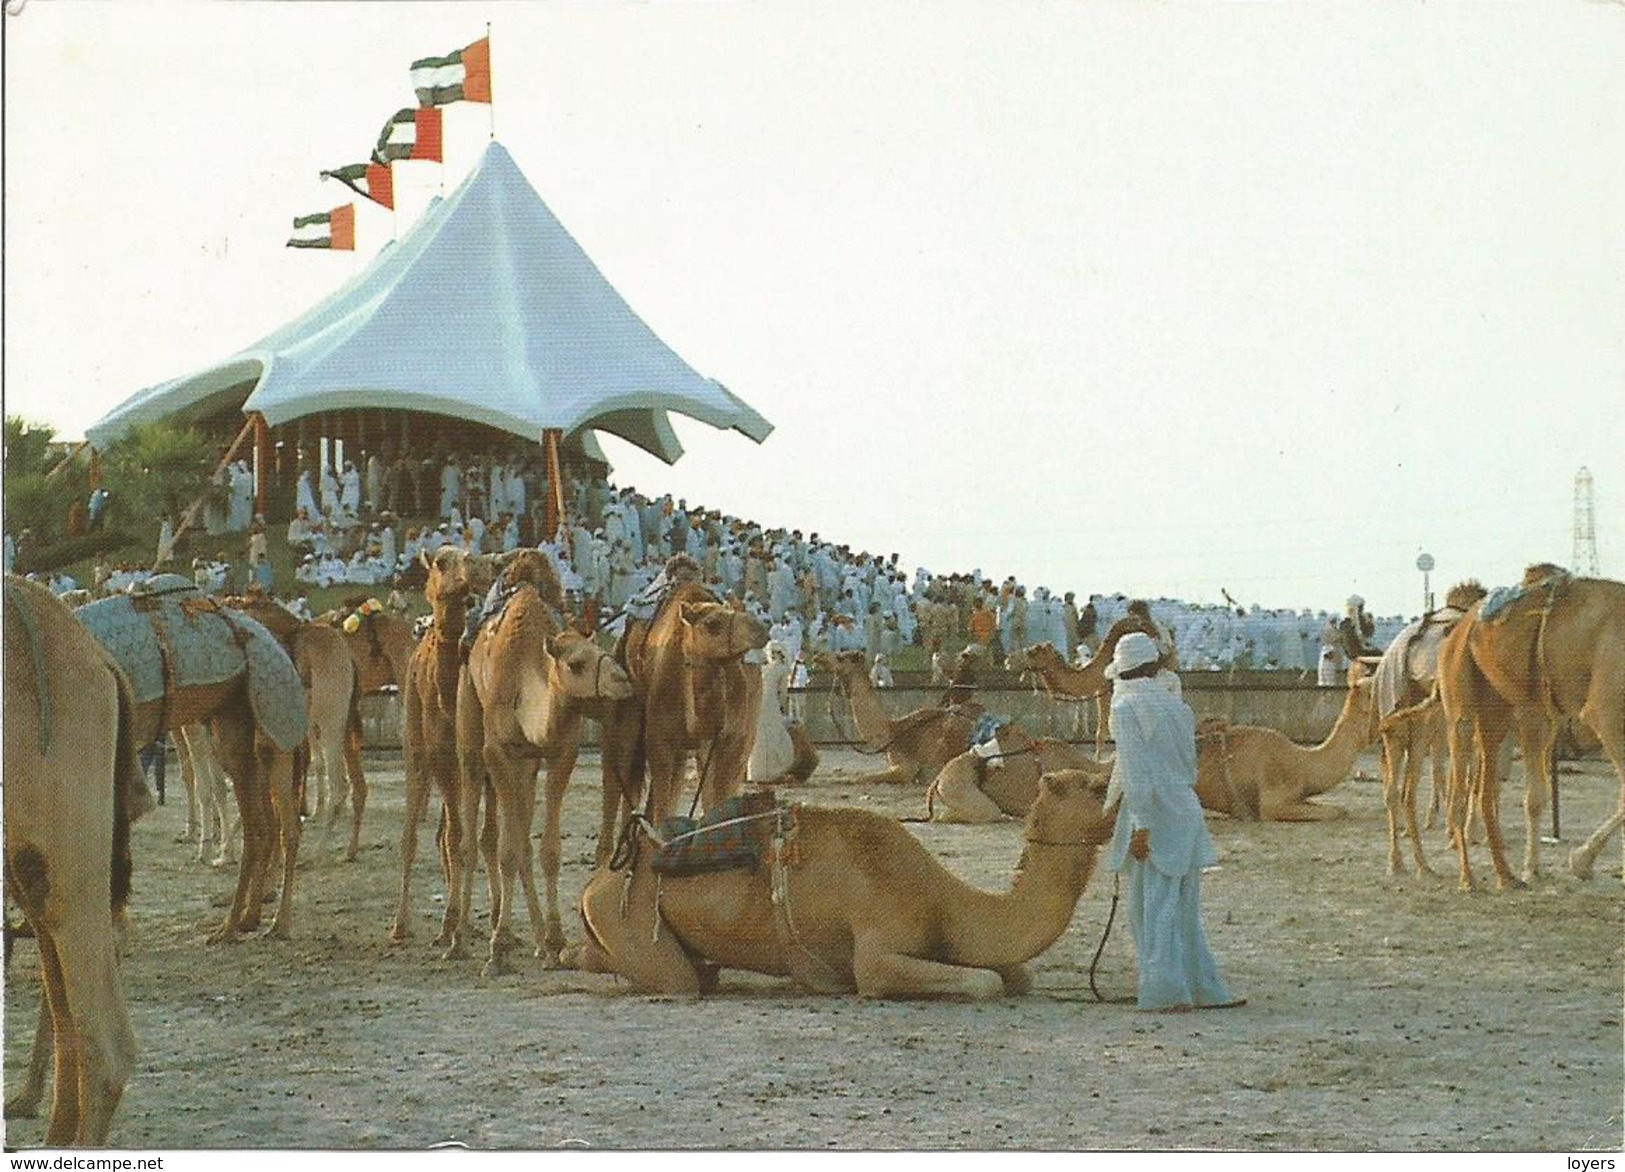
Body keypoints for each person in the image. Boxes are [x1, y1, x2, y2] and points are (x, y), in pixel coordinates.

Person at [1104, 631, 1241, 1013]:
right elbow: (1187, 769)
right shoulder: (1178, 709)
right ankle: (1202, 988)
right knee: (1182, 907)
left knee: (1151, 907)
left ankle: (1164, 991)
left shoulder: (1124, 710)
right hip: (1184, 809)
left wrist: (1143, 824)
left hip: (1154, 814)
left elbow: (1135, 773)